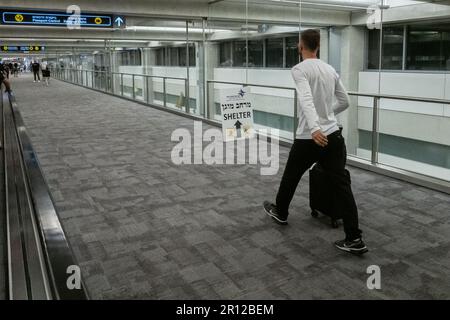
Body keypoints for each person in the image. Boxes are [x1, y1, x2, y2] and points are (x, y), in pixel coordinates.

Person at [263, 29, 367, 255]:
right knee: (342, 186)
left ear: (301, 46)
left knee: (291, 176)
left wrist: (314, 127)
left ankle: (281, 212)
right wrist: (326, 116)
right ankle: (354, 238)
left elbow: (306, 98)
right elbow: (345, 101)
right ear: (318, 46)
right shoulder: (329, 69)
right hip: (333, 135)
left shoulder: (299, 69)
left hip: (310, 137)